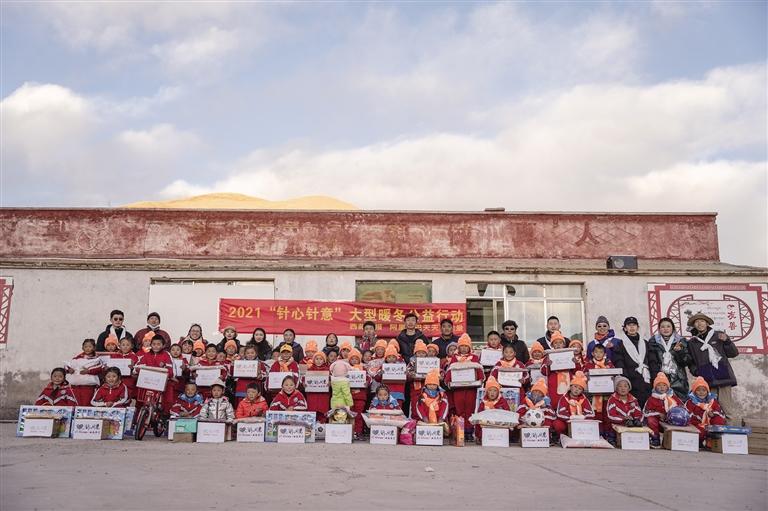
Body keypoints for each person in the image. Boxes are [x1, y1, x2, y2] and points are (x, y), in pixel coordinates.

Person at [686, 313, 738, 419]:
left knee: (726, 408)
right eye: (696, 322)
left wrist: (727, 341)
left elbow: (733, 353)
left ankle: (729, 429)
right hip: (706, 378)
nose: (700, 324)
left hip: (723, 375)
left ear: (707, 323)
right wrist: (696, 372)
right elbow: (691, 362)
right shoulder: (693, 342)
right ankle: (713, 429)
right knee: (710, 409)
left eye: (702, 321)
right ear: (694, 325)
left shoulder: (718, 335)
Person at [443, 333, 483, 441]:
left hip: (471, 389)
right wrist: (448, 381)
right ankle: (461, 431)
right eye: (462, 346)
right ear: (458, 347)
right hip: (458, 389)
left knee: (470, 409)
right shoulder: (454, 358)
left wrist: (480, 379)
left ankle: (469, 431)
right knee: (459, 409)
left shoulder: (474, 357)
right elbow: (449, 371)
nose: (464, 348)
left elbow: (479, 370)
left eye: (466, 346)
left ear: (469, 347)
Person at [648, 317, 691, 401]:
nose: (666, 329)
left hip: (678, 380)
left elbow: (686, 362)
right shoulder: (653, 342)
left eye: (668, 326)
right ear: (659, 329)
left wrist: (679, 352)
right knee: (661, 405)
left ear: (673, 328)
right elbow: (652, 362)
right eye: (663, 327)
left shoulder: (680, 341)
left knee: (679, 404)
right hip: (660, 380)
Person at [612, 317, 651, 407]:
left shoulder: (645, 343)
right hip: (631, 381)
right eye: (629, 325)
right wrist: (627, 378)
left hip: (646, 379)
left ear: (638, 327)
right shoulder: (620, 344)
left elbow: (651, 360)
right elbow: (619, 362)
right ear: (625, 328)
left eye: (634, 325)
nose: (632, 327)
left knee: (648, 405)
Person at [643, 372, 683, 448]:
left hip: (670, 421)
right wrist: (658, 414)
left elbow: (681, 407)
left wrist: (673, 414)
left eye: (664, 385)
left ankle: (674, 440)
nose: (662, 387)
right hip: (657, 422)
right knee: (650, 420)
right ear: (655, 387)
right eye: (659, 385)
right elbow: (646, 412)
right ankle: (655, 438)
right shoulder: (652, 399)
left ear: (668, 386)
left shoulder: (672, 397)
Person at [136, 335, 174, 413]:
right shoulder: (146, 355)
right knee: (145, 400)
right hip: (148, 383)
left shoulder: (166, 355)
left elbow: (170, 370)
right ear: (151, 345)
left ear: (163, 345)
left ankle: (163, 413)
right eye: (154, 344)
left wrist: (164, 367)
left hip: (160, 383)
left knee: (162, 401)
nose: (156, 346)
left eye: (158, 344)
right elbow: (138, 367)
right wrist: (140, 370)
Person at [685, 376, 726, 445]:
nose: (701, 392)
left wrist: (713, 414)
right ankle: (699, 442)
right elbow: (688, 414)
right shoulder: (690, 402)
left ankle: (715, 434)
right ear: (694, 391)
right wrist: (700, 417)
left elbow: (719, 412)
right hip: (697, 423)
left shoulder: (712, 401)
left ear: (707, 391)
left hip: (710, 424)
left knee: (718, 419)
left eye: (704, 390)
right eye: (698, 390)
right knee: (700, 430)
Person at [552, 371, 594, 437]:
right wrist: (571, 417)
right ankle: (562, 436)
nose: (576, 390)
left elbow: (591, 414)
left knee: (592, 423)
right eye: (575, 386)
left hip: (581, 424)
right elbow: (560, 413)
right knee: (557, 424)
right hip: (567, 422)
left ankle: (582, 435)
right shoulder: (564, 398)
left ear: (582, 391)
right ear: (571, 387)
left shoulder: (584, 399)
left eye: (580, 389)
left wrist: (583, 417)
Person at [604, 376, 643, 445]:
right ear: (616, 388)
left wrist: (635, 419)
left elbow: (639, 413)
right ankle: (611, 438)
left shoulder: (633, 400)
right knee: (610, 428)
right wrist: (623, 418)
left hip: (629, 424)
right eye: (620, 386)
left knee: (638, 423)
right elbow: (611, 415)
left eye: (625, 386)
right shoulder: (612, 399)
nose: (623, 388)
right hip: (616, 423)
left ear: (629, 388)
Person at [584, 343, 613, 431]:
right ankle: (597, 430)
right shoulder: (589, 364)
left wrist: (611, 374)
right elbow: (583, 374)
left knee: (606, 411)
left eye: (601, 352)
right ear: (592, 353)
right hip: (593, 393)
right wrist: (586, 376)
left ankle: (607, 431)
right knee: (596, 412)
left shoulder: (608, 363)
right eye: (596, 352)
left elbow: (614, 373)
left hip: (606, 392)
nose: (598, 354)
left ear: (604, 354)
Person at [540, 331, 574, 405]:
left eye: (560, 342)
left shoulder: (569, 355)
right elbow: (543, 371)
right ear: (552, 345)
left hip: (568, 381)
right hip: (554, 384)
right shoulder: (549, 356)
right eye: (555, 343)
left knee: (568, 402)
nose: (558, 344)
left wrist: (575, 362)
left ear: (564, 344)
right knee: (555, 401)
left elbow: (576, 371)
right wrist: (548, 365)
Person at [67, 338, 104, 406]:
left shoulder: (96, 359)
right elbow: (68, 365)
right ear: (82, 348)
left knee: (86, 403)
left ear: (94, 348)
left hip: (89, 387)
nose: (87, 348)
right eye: (86, 346)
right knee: (76, 403)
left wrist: (89, 371)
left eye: (90, 346)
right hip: (75, 386)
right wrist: (69, 369)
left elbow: (100, 368)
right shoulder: (77, 358)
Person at [473, 376, 509, 441]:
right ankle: (480, 437)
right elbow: (479, 415)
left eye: (495, 391)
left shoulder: (502, 401)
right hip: (486, 424)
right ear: (487, 392)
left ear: (498, 392)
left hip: (499, 425)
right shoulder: (483, 402)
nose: (492, 393)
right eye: (490, 390)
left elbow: (507, 414)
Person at [347, 348, 370, 439]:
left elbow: (369, 378)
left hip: (360, 396)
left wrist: (367, 382)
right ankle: (349, 431)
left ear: (359, 359)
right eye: (352, 359)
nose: (354, 360)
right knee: (349, 414)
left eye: (356, 359)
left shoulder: (363, 368)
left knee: (358, 415)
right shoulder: (346, 368)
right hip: (348, 396)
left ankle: (358, 431)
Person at [304, 351, 331, 423]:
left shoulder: (327, 370)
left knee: (322, 412)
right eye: (317, 359)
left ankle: (322, 424)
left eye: (321, 359)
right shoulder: (309, 370)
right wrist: (304, 384)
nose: (319, 361)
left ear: (324, 360)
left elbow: (331, 381)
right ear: (314, 360)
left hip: (323, 396)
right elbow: (304, 380)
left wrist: (330, 383)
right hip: (312, 395)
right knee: (312, 412)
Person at [406, 340, 430, 418]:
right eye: (419, 353)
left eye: (423, 353)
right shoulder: (411, 363)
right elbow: (406, 375)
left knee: (427, 406)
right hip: (415, 389)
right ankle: (415, 421)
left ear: (426, 354)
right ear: (415, 353)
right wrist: (411, 375)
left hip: (428, 389)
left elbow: (437, 371)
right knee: (415, 405)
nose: (421, 355)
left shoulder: (430, 363)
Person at [113, 337, 139, 401]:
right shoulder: (114, 356)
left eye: (127, 345)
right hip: (116, 381)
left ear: (132, 346)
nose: (125, 347)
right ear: (119, 346)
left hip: (128, 382)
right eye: (123, 345)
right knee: (116, 398)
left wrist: (133, 368)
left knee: (127, 398)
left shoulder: (134, 357)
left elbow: (136, 371)